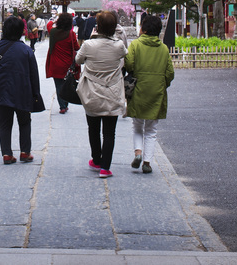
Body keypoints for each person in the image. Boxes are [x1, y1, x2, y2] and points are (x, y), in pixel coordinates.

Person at [0, 15, 45, 164]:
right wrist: (36, 93)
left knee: (4, 123)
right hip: (23, 90)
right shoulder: (26, 50)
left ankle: (6, 154)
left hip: (1, 89)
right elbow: (33, 74)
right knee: (24, 121)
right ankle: (25, 152)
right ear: (20, 31)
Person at [75, 10, 127, 178]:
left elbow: (78, 60)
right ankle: (105, 167)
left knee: (93, 128)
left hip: (92, 92)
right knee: (109, 132)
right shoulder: (119, 46)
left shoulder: (89, 45)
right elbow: (125, 56)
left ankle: (96, 160)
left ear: (97, 27)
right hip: (112, 92)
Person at [125, 13, 175, 174]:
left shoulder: (135, 45)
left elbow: (129, 64)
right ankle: (147, 162)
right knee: (151, 130)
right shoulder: (163, 49)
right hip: (156, 91)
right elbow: (170, 73)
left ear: (144, 29)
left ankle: (138, 153)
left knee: (137, 125)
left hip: (138, 89)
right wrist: (162, 84)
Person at [44, 12, 79, 114]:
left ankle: (62, 106)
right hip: (67, 64)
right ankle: (66, 104)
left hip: (55, 63)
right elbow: (77, 47)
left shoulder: (53, 32)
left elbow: (48, 25)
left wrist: (54, 21)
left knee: (58, 85)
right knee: (67, 84)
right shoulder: (71, 34)